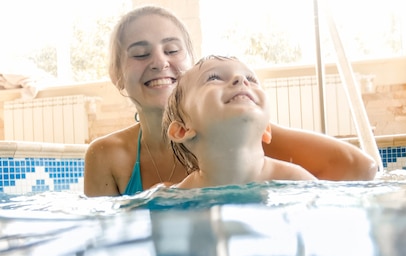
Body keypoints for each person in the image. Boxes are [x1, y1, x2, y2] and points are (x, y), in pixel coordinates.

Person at [83, 5, 377, 197]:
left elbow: (362, 169)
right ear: (117, 75)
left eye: (172, 50)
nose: (159, 62)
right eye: (139, 53)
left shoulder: (246, 136)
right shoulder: (106, 156)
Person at [163, 55, 316, 189]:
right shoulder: (181, 195)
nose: (241, 79)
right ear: (182, 130)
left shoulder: (295, 182)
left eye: (251, 79)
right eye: (214, 78)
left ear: (266, 130)